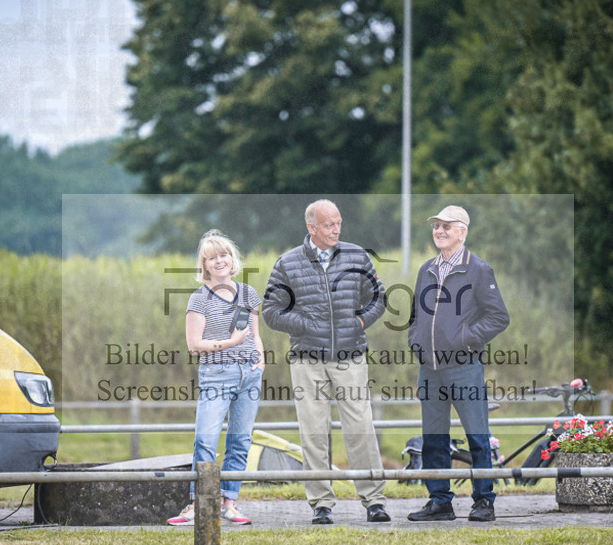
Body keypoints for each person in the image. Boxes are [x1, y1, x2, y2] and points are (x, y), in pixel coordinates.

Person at [263, 199, 390, 525]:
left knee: (360, 427)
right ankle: (321, 503)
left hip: (350, 356)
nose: (336, 229)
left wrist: (360, 322)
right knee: (314, 431)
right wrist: (305, 325)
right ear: (312, 227)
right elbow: (271, 312)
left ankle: (374, 500)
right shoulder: (287, 263)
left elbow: (379, 296)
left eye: (338, 223)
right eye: (329, 224)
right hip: (307, 360)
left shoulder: (356, 256)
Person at [407, 205, 510, 523]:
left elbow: (498, 317)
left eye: (446, 226)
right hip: (430, 369)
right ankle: (440, 502)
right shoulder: (426, 269)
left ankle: (484, 502)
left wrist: (465, 338)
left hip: (464, 367)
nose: (439, 230)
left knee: (477, 436)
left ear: (462, 231)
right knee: (433, 438)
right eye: (436, 225)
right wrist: (416, 343)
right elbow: (415, 317)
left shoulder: (479, 269)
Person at [167, 230, 265, 526]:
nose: (220, 261)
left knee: (241, 440)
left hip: (249, 376)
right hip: (216, 374)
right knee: (206, 439)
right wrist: (230, 344)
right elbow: (194, 345)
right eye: (213, 257)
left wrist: (261, 359)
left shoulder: (248, 293)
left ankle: (229, 503)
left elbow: (256, 334)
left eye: (224, 255)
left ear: (232, 259)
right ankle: (198, 503)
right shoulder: (199, 299)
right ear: (205, 265)